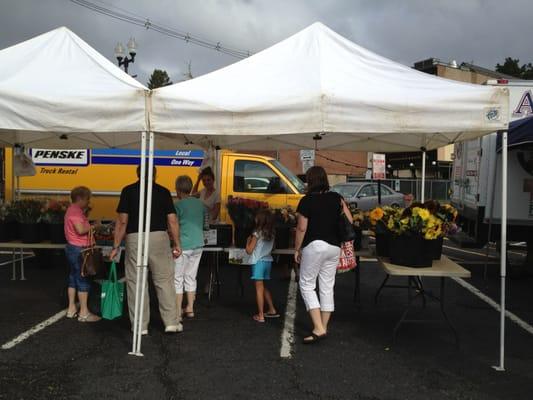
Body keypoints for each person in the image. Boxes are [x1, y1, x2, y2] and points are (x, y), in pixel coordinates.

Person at [109, 166, 181, 334]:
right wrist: (177, 243)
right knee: (164, 281)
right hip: (159, 238)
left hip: (135, 238)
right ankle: (170, 322)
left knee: (136, 282)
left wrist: (115, 246)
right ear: (155, 175)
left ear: (138, 174)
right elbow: (172, 220)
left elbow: (122, 221)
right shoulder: (163, 192)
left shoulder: (128, 191)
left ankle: (140, 326)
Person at [294, 166, 353, 344]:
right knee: (327, 286)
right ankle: (323, 327)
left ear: (310, 181)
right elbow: (350, 220)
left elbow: (301, 228)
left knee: (306, 284)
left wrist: (297, 249)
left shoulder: (306, 201)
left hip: (314, 246)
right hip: (334, 247)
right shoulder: (337, 198)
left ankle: (318, 327)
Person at [64, 186, 101, 322]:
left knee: (73, 278)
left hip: (73, 247)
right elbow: (80, 230)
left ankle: (71, 308)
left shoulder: (72, 210)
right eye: (87, 199)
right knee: (83, 278)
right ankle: (84, 313)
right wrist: (94, 226)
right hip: (80, 249)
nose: (88, 202)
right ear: (80, 198)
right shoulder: (75, 212)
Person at [174, 175, 205, 324]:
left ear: (178, 190)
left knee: (177, 278)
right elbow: (206, 223)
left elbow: (173, 226)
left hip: (183, 245)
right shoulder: (200, 204)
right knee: (191, 277)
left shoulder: (178, 205)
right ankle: (190, 308)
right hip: (198, 244)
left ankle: (177, 311)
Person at [245, 209, 279, 323]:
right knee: (264, 287)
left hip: (258, 261)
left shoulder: (256, 233)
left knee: (259, 288)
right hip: (268, 261)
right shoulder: (272, 232)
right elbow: (273, 248)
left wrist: (247, 241)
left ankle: (260, 315)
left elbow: (249, 250)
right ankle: (271, 309)